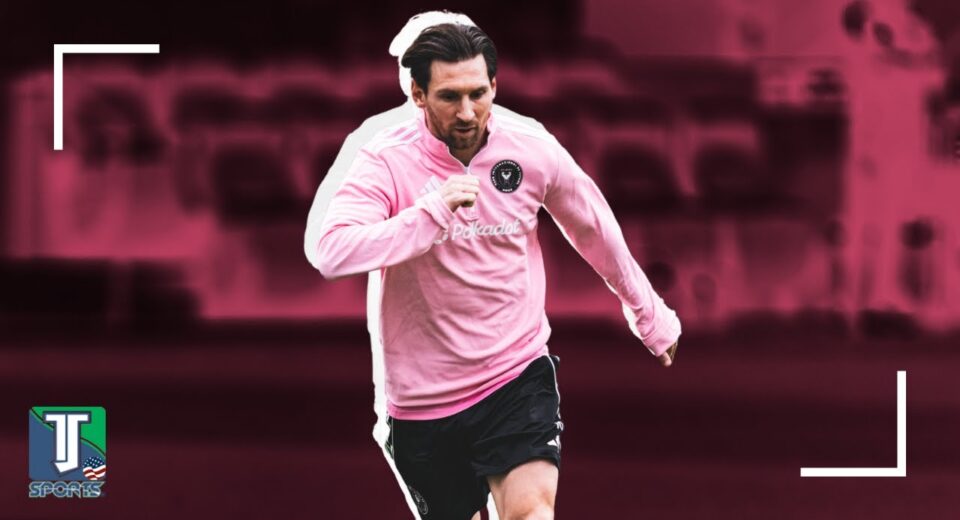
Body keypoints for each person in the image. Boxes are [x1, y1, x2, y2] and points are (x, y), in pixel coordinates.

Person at [305, 19, 680, 520]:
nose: (467, 112)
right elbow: (331, 251)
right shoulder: (385, 160)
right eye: (449, 97)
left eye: (478, 94)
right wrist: (429, 215)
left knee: (532, 512)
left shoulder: (531, 148)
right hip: (421, 401)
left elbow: (593, 227)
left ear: (495, 86)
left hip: (515, 374)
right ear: (417, 94)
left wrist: (648, 313)